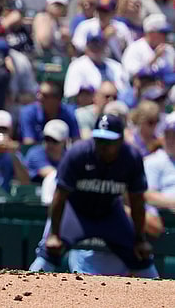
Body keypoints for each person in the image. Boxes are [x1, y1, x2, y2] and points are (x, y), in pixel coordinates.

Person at [28, 115, 158, 278]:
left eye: (109, 142)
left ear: (120, 141)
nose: (103, 146)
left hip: (110, 213)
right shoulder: (78, 153)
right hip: (76, 214)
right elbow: (60, 196)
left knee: (140, 256)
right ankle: (25, 291)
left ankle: (164, 300)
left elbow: (137, 201)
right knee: (49, 252)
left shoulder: (131, 158)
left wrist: (140, 238)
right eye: (99, 140)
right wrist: (54, 234)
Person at [18, 81, 80, 147]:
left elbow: (76, 140)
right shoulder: (28, 113)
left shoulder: (69, 113)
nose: (39, 97)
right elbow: (29, 144)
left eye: (45, 95)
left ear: (57, 99)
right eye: (38, 93)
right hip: (36, 154)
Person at [121, 14, 175, 80]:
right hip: (142, 88)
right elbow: (132, 75)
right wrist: (154, 58)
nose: (165, 36)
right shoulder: (134, 48)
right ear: (151, 33)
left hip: (166, 88)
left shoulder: (168, 49)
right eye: (162, 33)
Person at [143, 112, 175, 211]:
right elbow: (148, 196)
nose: (172, 140)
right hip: (164, 219)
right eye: (169, 135)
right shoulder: (153, 161)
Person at [24, 119, 69, 184]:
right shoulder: (35, 153)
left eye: (54, 141)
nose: (50, 144)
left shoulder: (69, 156)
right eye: (47, 139)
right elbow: (52, 176)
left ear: (64, 142)